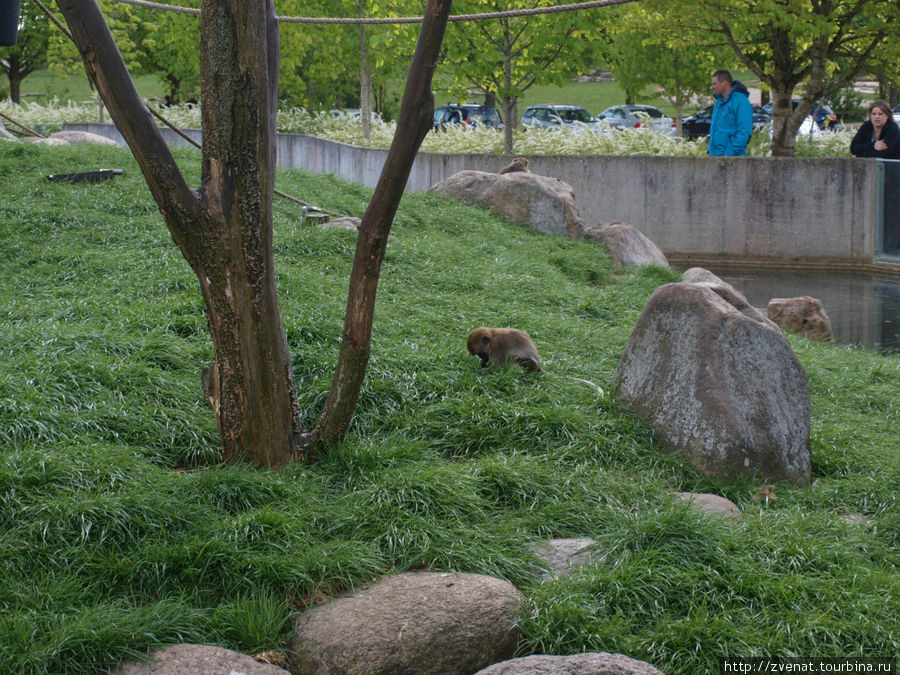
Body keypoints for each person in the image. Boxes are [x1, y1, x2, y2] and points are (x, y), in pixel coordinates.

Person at [708, 69, 754, 156]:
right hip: (715, 157)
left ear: (725, 83)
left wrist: (729, 155)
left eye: (715, 84)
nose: (712, 87)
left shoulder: (741, 101)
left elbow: (744, 132)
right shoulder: (719, 102)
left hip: (732, 160)